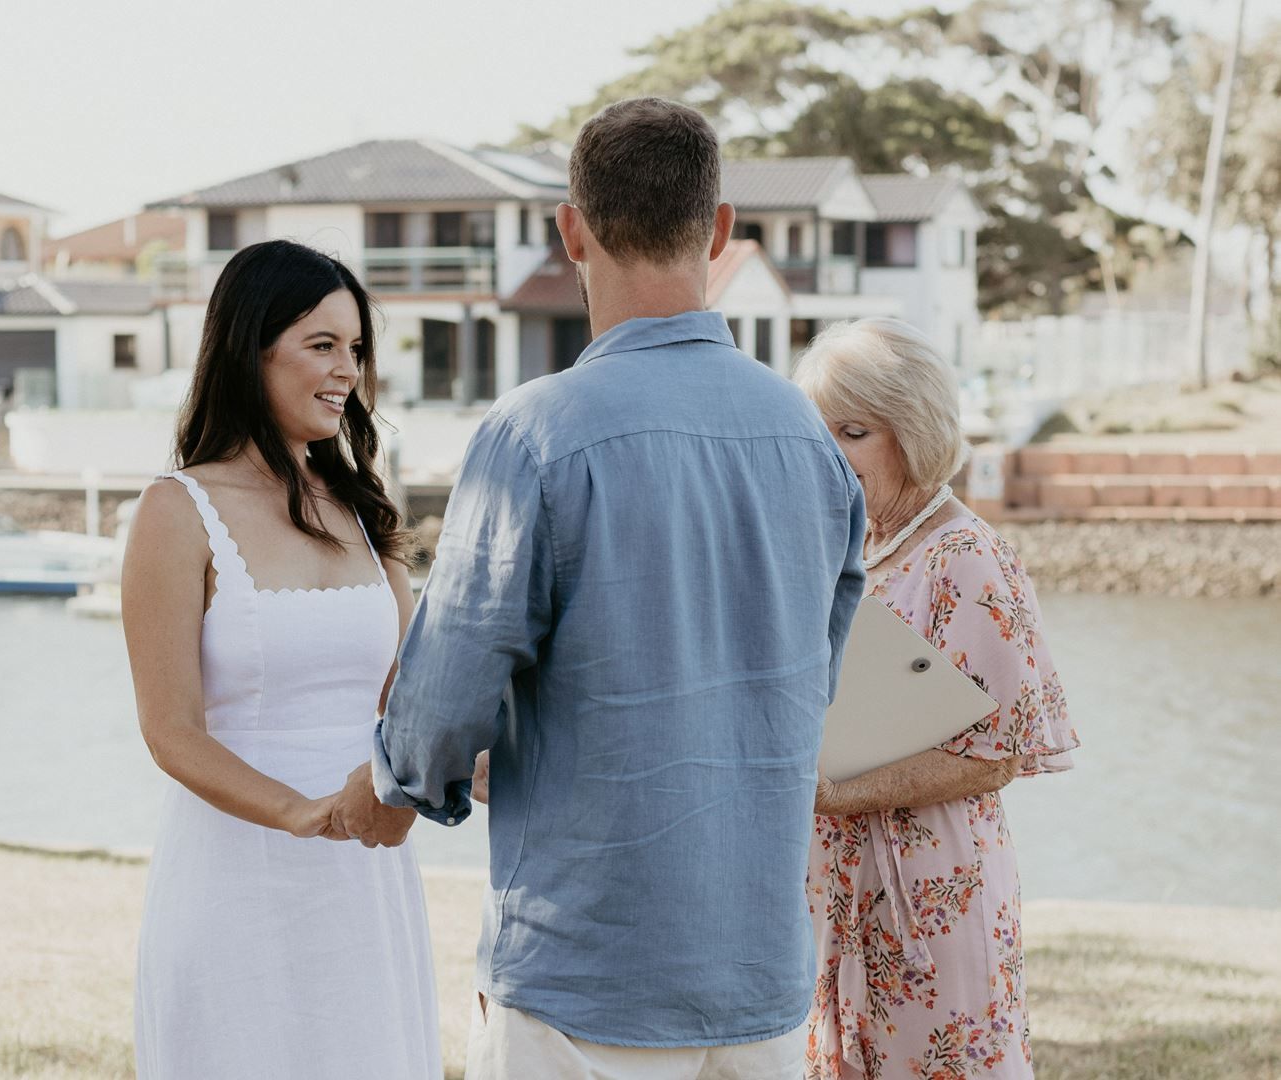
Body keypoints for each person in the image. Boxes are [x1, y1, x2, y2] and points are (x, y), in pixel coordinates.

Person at [331, 97, 866, 1080]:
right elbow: (805, 680)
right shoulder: (810, 441)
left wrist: (397, 789)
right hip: (759, 976)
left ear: (571, 230)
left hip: (589, 972)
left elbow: (446, 700)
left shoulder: (535, 432)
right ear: (719, 231)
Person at [121, 239, 439, 1079]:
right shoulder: (175, 509)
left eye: (357, 349)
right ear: (250, 347)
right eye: (322, 345)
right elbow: (170, 732)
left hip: (366, 882)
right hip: (235, 880)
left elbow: (410, 698)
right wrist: (301, 814)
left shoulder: (366, 507)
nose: (348, 371)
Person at [792, 317, 1080, 1079]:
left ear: (912, 430)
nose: (831, 454)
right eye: (819, 432)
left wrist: (838, 794)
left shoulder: (967, 556)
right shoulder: (846, 546)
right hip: (834, 887)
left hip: (929, 895)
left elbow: (997, 756)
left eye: (852, 432)